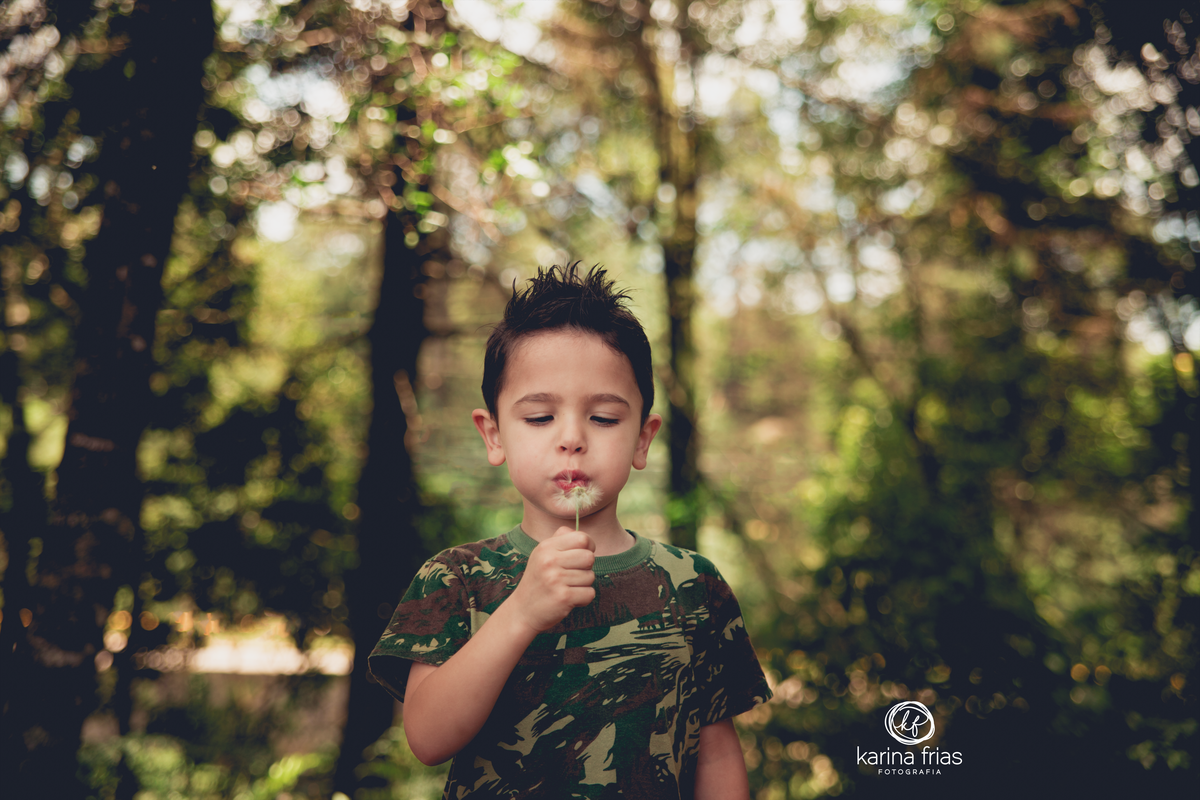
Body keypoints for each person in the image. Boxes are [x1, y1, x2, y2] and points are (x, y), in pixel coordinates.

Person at [368, 263, 771, 799]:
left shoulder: (692, 583)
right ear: (493, 436)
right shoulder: (457, 578)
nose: (572, 439)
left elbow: (715, 751)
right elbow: (426, 737)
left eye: (604, 418)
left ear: (643, 439)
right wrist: (522, 611)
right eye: (539, 418)